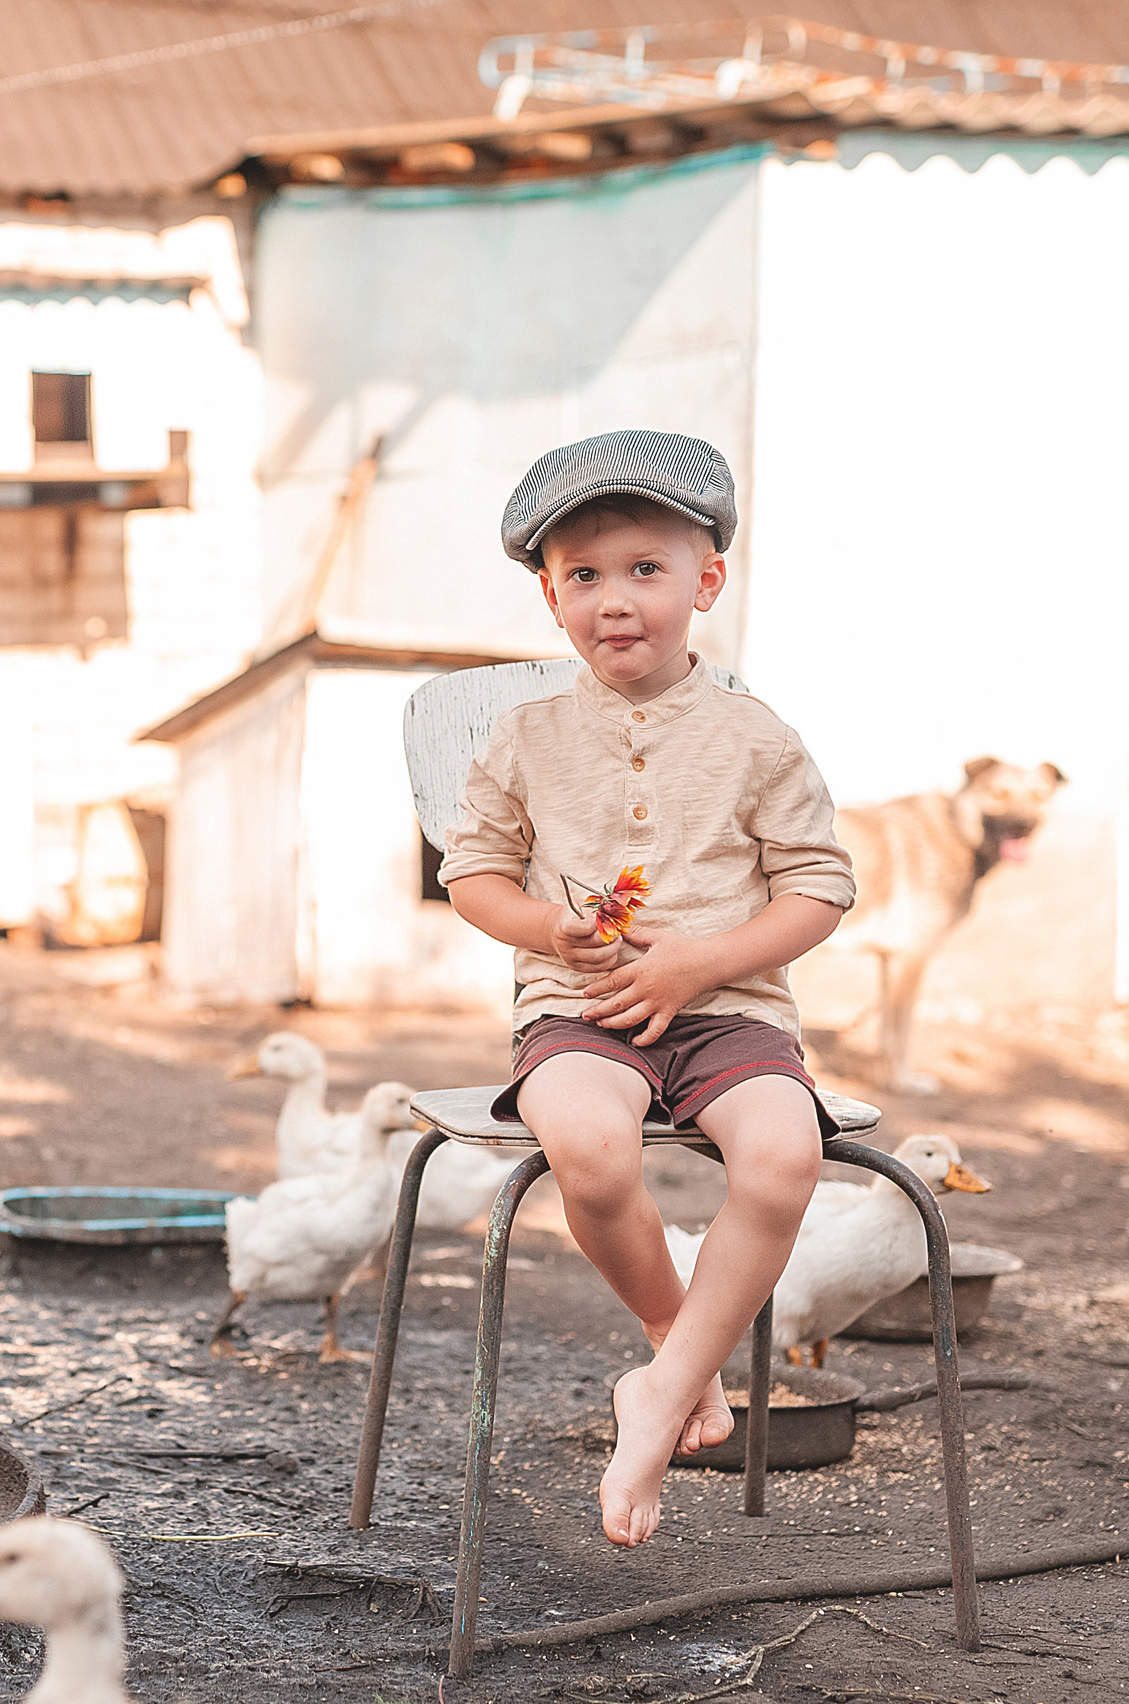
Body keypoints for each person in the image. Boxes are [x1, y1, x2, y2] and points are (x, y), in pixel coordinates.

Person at [435, 430, 855, 1548]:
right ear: (550, 597)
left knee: (783, 1156)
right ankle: (679, 1352)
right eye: (583, 574)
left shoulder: (757, 739)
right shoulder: (525, 737)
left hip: (730, 1013)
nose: (613, 598)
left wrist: (701, 961)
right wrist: (545, 926)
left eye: (645, 569)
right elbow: (472, 875)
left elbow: (819, 888)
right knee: (588, 1145)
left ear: (704, 583)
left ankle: (658, 1392)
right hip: (579, 1014)